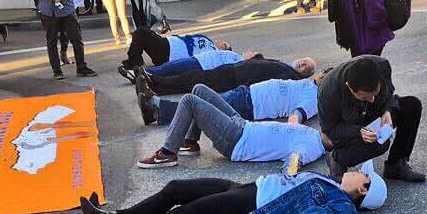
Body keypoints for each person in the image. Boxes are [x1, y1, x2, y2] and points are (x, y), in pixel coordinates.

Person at [79, 160, 384, 214]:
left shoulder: (342, 205)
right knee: (174, 188)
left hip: (252, 209)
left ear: (364, 191)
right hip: (249, 188)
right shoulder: (330, 182)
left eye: (362, 175)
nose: (356, 171)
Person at [135, 84, 331, 169]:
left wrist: (288, 176)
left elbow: (293, 163)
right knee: (199, 90)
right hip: (243, 125)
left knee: (189, 101)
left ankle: (168, 153)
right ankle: (189, 142)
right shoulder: (312, 134)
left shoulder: (314, 148)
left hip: (237, 140)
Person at [317, 55, 425, 183]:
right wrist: (359, 131)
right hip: (350, 126)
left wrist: (388, 111)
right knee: (380, 144)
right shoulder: (328, 92)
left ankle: (396, 164)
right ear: (349, 87)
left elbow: (389, 95)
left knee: (411, 105)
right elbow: (331, 130)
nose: (372, 99)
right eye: (364, 97)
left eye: (375, 94)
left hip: (373, 116)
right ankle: (337, 158)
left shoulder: (382, 66)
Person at [137, 75, 322, 128]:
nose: (322, 76)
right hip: (246, 95)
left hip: (249, 106)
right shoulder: (307, 84)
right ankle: (156, 107)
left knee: (200, 106)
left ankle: (156, 108)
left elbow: (298, 115)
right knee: (200, 102)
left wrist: (291, 129)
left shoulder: (315, 96)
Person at [137, 55, 316, 96]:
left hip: (235, 80)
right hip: (233, 69)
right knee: (195, 76)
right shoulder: (283, 64)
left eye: (306, 67)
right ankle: (156, 81)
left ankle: (156, 84)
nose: (302, 64)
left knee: (194, 81)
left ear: (305, 74)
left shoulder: (293, 78)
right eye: (303, 60)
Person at [119, 28, 227, 77]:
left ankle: (134, 63)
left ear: (224, 50)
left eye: (225, 44)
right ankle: (136, 62)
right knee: (143, 33)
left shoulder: (213, 52)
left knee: (141, 32)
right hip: (167, 42)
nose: (221, 41)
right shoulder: (208, 41)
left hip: (169, 53)